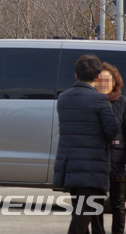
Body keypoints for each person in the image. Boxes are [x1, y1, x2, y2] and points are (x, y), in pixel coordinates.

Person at [54, 54, 119, 234]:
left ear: (75, 75)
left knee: (80, 213)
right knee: (81, 220)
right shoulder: (99, 100)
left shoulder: (63, 98)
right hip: (92, 168)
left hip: (69, 166)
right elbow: (112, 129)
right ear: (98, 77)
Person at [93, 63, 126, 234]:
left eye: (108, 79)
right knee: (95, 203)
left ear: (115, 81)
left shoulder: (123, 102)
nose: (104, 83)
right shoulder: (91, 102)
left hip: (117, 162)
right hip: (96, 161)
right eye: (101, 80)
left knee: (118, 204)